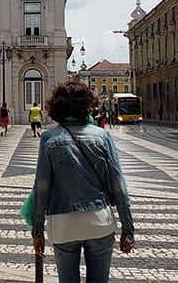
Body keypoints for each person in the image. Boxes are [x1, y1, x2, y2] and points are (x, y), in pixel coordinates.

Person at [31, 81, 134, 282]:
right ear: (87, 105)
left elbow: (41, 188)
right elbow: (119, 185)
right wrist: (128, 229)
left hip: (63, 224)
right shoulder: (102, 136)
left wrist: (37, 231)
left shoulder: (49, 139)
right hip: (99, 221)